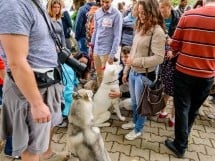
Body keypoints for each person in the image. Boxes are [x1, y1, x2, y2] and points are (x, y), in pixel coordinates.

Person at [0, 0, 64, 161]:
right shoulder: (14, 5)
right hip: (30, 90)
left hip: (43, 85)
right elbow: (16, 62)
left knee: (37, 147)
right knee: (30, 150)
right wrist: (36, 103)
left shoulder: (34, 3)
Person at [165, 0, 215, 158]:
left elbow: (175, 45)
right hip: (207, 75)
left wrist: (171, 45)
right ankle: (184, 136)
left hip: (184, 72)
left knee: (182, 108)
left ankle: (180, 145)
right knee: (193, 109)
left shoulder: (188, 15)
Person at [122, 0, 166, 140]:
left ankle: (138, 129)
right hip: (134, 73)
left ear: (151, 12)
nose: (140, 16)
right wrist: (127, 70)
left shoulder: (157, 31)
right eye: (139, 12)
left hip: (144, 75)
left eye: (143, 13)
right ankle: (135, 122)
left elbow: (159, 58)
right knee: (135, 103)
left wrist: (135, 62)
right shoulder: (140, 27)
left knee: (142, 106)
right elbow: (133, 51)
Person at [158, 0, 180, 127]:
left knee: (177, 90)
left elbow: (181, 40)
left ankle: (173, 117)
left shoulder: (179, 18)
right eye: (159, 8)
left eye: (162, 8)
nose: (160, 10)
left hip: (175, 60)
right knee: (166, 87)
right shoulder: (158, 18)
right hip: (163, 59)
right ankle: (163, 111)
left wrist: (173, 49)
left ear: (168, 7)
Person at [91, 0, 123, 86]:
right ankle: (100, 96)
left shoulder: (117, 14)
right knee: (99, 76)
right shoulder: (97, 13)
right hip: (97, 50)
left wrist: (112, 55)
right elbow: (95, 31)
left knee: (108, 78)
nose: (105, 4)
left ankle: (107, 98)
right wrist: (91, 46)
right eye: (103, 1)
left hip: (107, 52)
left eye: (107, 2)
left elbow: (117, 36)